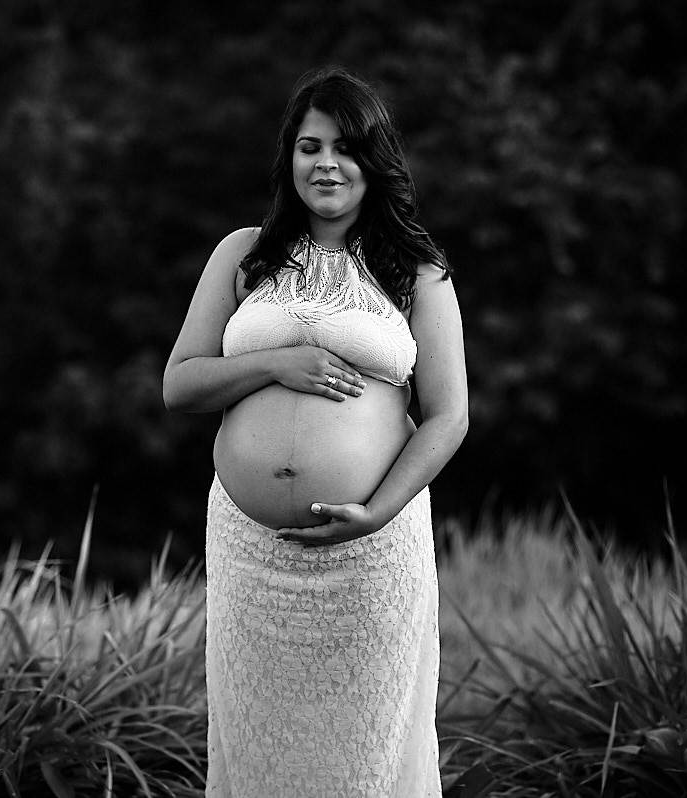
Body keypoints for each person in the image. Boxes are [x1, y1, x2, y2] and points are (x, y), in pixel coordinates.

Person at [163, 66, 467, 796]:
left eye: (345, 147)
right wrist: (277, 362)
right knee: (259, 745)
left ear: (374, 160)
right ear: (289, 158)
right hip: (252, 551)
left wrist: (377, 512)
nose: (326, 164)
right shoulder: (242, 255)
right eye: (310, 147)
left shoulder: (417, 271)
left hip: (371, 551)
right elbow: (180, 384)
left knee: (363, 753)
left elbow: (449, 415)